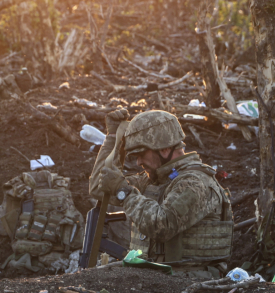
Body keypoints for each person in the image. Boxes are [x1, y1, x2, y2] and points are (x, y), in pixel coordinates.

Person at [89, 109, 233, 274]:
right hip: (155, 281)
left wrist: (124, 191)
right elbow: (99, 189)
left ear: (164, 149)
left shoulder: (196, 182)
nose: (138, 162)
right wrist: (113, 138)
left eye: (141, 154)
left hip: (190, 282)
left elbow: (162, 225)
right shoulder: (153, 179)